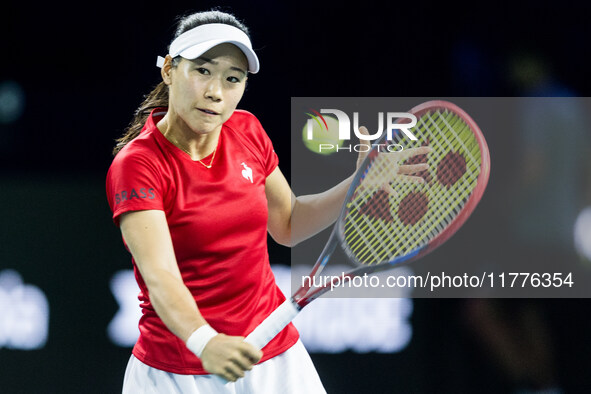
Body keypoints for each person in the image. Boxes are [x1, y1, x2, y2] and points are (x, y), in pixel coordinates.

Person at [106, 9, 429, 394]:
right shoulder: (138, 165)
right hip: (176, 372)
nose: (215, 92)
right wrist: (204, 341)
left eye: (232, 78)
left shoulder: (247, 131)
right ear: (169, 70)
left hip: (274, 358)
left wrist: (355, 187)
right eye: (202, 70)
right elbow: (160, 275)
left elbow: (289, 224)